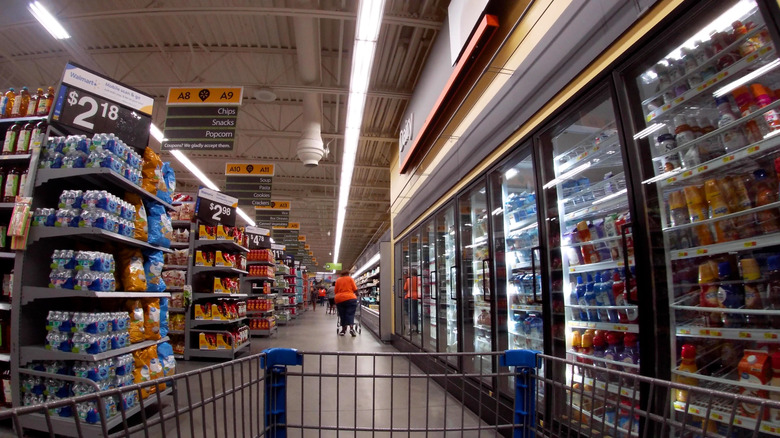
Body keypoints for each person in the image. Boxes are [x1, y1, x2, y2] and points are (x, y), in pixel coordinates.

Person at [334, 270, 358, 336]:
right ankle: (351, 328)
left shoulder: (338, 280)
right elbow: (355, 289)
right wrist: (357, 294)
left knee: (342, 315)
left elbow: (335, 291)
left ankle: (343, 330)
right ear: (348, 274)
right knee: (350, 314)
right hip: (350, 298)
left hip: (340, 299)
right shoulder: (350, 279)